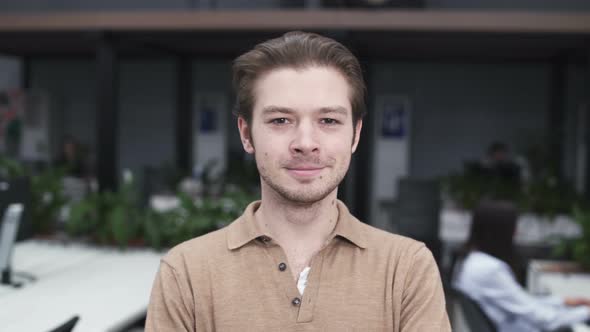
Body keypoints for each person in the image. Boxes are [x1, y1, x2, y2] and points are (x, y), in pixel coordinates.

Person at [146, 31, 450, 331]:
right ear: (246, 134)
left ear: (355, 134)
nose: (305, 143)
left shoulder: (406, 269)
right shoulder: (186, 272)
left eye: (328, 121)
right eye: (280, 120)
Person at [452, 200, 590, 332]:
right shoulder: (489, 270)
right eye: (513, 227)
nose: (517, 232)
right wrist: (585, 312)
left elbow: (523, 303)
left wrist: (563, 302)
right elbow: (542, 318)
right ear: (499, 231)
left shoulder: (470, 262)